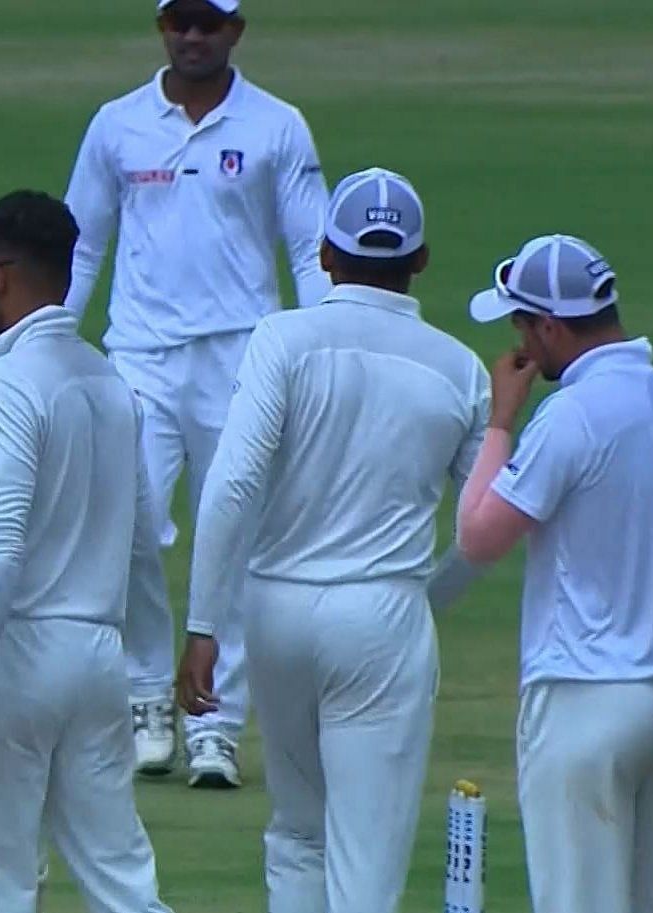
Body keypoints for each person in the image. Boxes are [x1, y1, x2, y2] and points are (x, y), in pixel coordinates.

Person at [175, 168, 486, 912]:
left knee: (296, 833)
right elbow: (482, 530)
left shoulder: (282, 338)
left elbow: (232, 484)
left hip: (275, 607)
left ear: (323, 254)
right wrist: (421, 604)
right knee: (364, 859)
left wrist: (200, 624)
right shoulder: (459, 368)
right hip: (380, 615)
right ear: (419, 260)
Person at [62, 0, 330, 783]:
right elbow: (81, 245)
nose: (191, 36)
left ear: (235, 32)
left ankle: (215, 720)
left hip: (244, 355)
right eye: (178, 22)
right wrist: (49, 342)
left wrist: (319, 344)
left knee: (232, 536)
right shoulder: (116, 125)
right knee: (128, 521)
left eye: (207, 24)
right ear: (160, 29)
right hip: (138, 355)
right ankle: (146, 691)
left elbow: (310, 247)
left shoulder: (276, 126)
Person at [457, 234, 653, 913]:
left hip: (582, 699)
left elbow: (478, 537)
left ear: (548, 325)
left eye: (520, 322)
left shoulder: (568, 416)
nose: (518, 339)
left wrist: (499, 423)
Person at [0, 190, 171, 913]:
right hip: (99, 656)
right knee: (119, 877)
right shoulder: (110, 382)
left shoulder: (3, 383)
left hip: (17, 655)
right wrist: (148, 665)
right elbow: (143, 540)